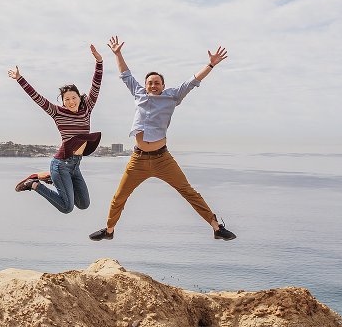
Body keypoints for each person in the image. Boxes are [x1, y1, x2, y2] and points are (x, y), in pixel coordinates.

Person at [89, 36, 236, 241]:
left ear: (163, 85)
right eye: (150, 82)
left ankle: (216, 227)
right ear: (146, 85)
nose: (153, 85)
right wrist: (117, 53)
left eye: (157, 82)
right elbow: (125, 74)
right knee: (119, 197)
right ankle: (109, 230)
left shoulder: (173, 96)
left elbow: (192, 81)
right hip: (138, 160)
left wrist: (210, 64)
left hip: (162, 159)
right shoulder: (138, 93)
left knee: (188, 191)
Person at [8, 45, 103, 214]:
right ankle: (34, 184)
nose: (71, 101)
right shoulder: (57, 112)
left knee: (83, 204)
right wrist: (20, 78)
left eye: (74, 97)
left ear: (79, 98)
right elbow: (38, 98)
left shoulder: (87, 108)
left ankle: (48, 177)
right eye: (67, 99)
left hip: (75, 166)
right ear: (63, 101)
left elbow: (95, 86)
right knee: (67, 207)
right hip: (61, 165)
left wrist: (99, 62)